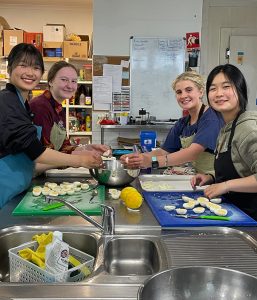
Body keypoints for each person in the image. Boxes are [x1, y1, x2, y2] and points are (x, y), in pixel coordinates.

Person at [0, 43, 107, 208]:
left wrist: (88, 149)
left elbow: (59, 147)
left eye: (35, 68)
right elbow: (36, 152)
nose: (30, 72)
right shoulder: (9, 102)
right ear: (9, 69)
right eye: (22, 65)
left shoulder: (23, 104)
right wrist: (79, 160)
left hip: (15, 187)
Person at [120, 71, 224, 175]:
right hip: (197, 179)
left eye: (189, 90)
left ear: (201, 92)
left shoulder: (211, 118)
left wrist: (153, 162)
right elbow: (164, 151)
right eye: (179, 92)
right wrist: (140, 158)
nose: (183, 96)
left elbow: (192, 153)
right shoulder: (182, 123)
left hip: (215, 180)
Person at [191, 64, 257, 219]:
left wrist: (225, 185)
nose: (219, 93)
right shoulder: (226, 127)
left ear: (240, 90)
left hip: (251, 220)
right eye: (213, 89)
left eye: (226, 86)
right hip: (234, 213)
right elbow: (241, 167)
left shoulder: (248, 128)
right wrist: (212, 177)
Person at [30, 60, 107, 155]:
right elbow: (43, 152)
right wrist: (81, 158)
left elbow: (63, 147)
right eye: (64, 80)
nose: (70, 86)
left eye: (74, 81)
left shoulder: (58, 108)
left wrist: (87, 148)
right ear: (51, 81)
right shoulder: (40, 106)